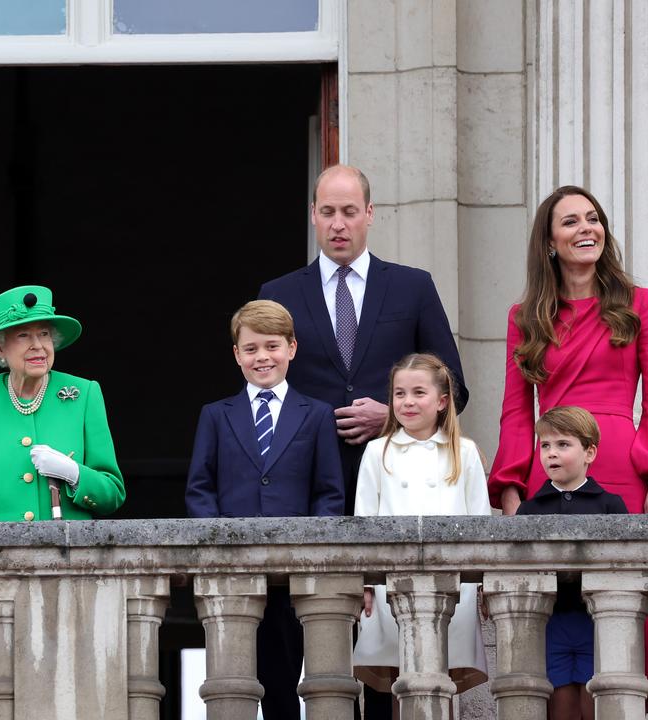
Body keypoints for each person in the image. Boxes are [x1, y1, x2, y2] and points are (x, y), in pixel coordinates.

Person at [259, 164, 467, 717]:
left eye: (350, 211)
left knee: (383, 656)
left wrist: (392, 417)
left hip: (395, 492)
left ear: (370, 215)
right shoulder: (279, 294)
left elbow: (455, 386)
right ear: (313, 216)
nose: (339, 223)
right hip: (307, 494)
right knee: (299, 644)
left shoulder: (411, 285)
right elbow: (263, 390)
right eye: (328, 211)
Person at [488, 185, 648, 712]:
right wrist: (513, 495)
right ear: (549, 242)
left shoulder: (639, 303)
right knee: (555, 638)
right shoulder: (524, 316)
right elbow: (515, 412)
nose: (586, 228)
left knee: (621, 627)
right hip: (548, 475)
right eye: (571, 221)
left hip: (620, 470)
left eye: (593, 218)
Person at [0, 285, 125, 720]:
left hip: (67, 588)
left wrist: (75, 474)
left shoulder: (83, 395)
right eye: (24, 336)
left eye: (45, 335)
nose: (39, 345)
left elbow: (113, 490)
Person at [185, 299, 343, 719]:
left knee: (286, 678)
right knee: (232, 680)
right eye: (251, 348)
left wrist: (313, 553)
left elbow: (329, 493)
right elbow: (200, 489)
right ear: (236, 354)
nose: (262, 357)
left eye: (271, 346)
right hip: (234, 572)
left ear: (292, 348)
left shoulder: (317, 414)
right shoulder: (216, 415)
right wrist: (220, 545)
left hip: (293, 575)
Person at [352, 353, 489, 699]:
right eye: (399, 393)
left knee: (445, 677)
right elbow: (363, 520)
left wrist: (485, 582)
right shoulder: (377, 451)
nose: (407, 402)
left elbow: (482, 523)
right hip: (390, 586)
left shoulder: (465, 452)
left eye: (418, 392)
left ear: (442, 401)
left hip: (454, 584)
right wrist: (366, 582)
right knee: (400, 678)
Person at [516, 406, 628, 720]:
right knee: (559, 705)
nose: (551, 453)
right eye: (545, 446)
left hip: (597, 623)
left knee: (595, 703)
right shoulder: (529, 510)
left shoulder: (610, 505)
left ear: (589, 452)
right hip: (550, 624)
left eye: (563, 444)